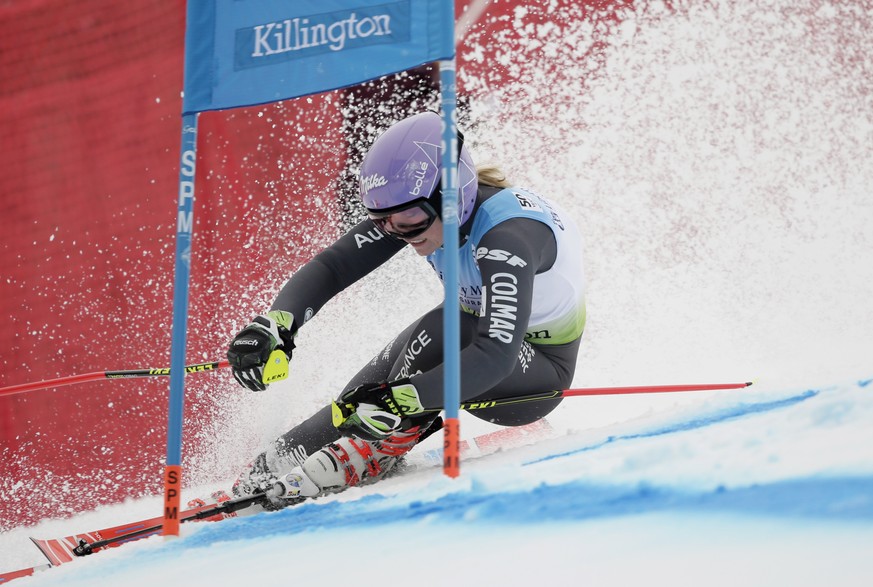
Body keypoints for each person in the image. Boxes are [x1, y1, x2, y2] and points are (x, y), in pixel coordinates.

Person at [225, 111, 586, 504]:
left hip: (531, 377)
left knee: (442, 334)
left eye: (410, 219)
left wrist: (403, 398)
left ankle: (374, 450)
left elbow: (496, 354)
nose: (398, 232)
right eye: (383, 222)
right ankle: (275, 464)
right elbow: (334, 266)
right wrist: (276, 324)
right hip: (467, 347)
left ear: (453, 195)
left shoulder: (508, 238)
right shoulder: (420, 213)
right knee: (357, 402)